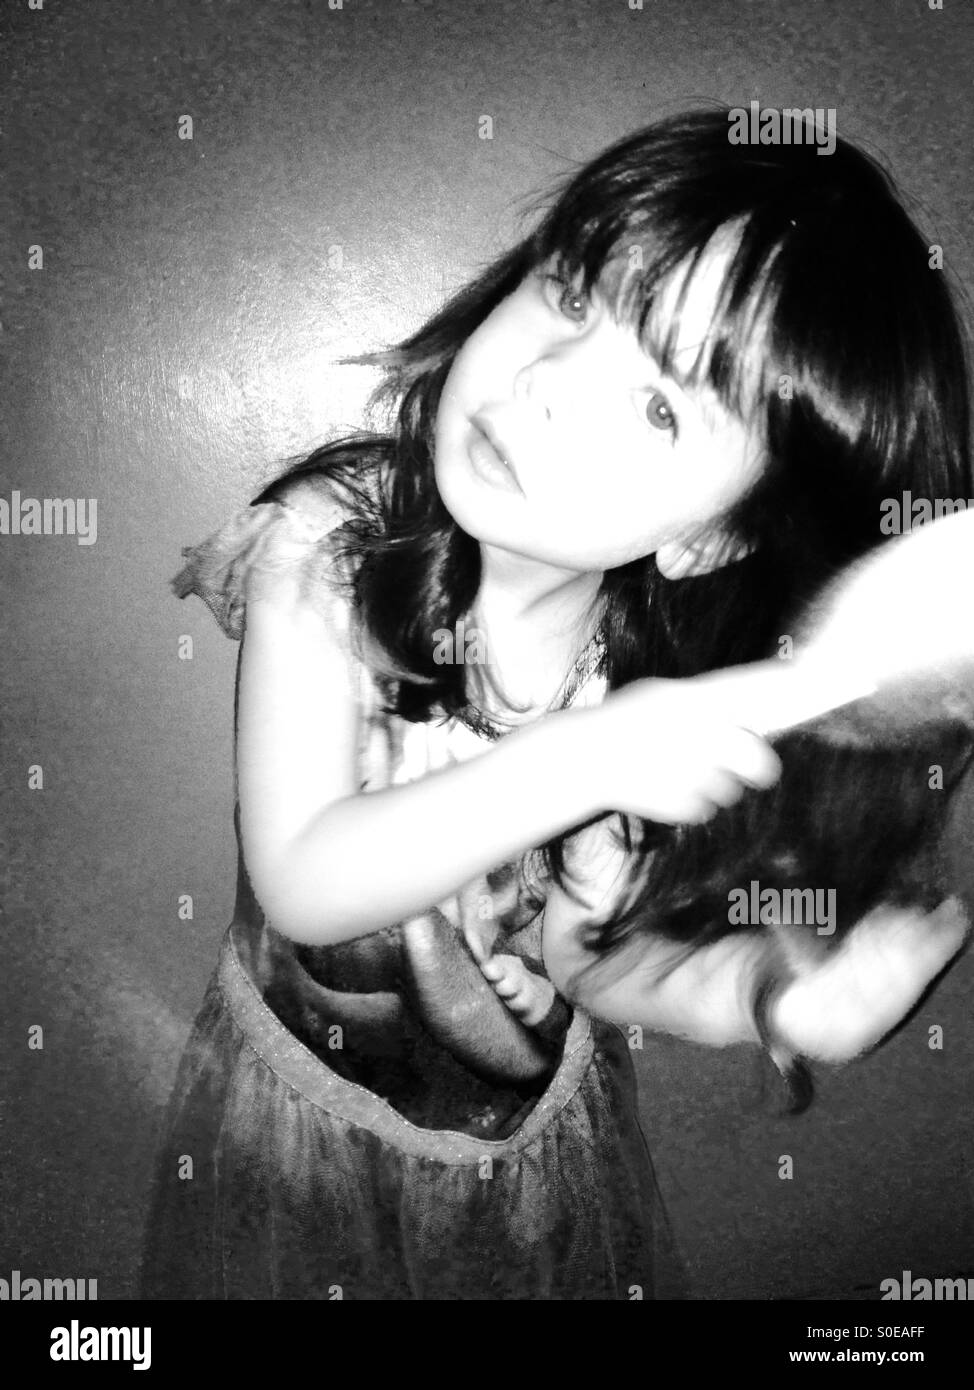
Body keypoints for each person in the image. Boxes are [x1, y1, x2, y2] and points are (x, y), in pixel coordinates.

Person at [141, 108, 974, 1300]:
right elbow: (306, 880)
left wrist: (762, 995)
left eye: (657, 407)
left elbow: (582, 957)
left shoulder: (633, 684)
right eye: (577, 293)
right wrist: (587, 756)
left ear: (711, 541)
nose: (544, 382)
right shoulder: (333, 549)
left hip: (528, 1168)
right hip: (302, 1140)